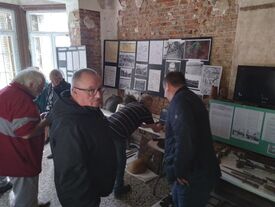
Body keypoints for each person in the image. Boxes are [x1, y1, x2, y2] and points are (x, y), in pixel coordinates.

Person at [47, 68, 116, 207]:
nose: (98, 96)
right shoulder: (68, 126)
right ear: (74, 91)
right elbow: (71, 173)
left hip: (95, 183)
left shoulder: (87, 108)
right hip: (82, 199)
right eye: (91, 90)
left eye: (100, 89)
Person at [163, 72, 221, 207]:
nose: (165, 94)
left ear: (168, 87)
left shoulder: (179, 102)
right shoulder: (192, 98)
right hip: (195, 172)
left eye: (164, 90)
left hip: (192, 176)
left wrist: (179, 171)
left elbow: (185, 141)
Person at [0, 69, 48, 207]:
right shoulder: (22, 100)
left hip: (4, 149)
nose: (41, 91)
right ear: (31, 84)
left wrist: (37, 118)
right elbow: (26, 133)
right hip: (19, 156)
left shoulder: (6, 91)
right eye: (40, 87)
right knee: (25, 194)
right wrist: (46, 121)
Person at [108, 94, 162, 198]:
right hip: (117, 133)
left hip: (106, 126)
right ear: (149, 104)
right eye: (152, 104)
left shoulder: (132, 104)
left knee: (111, 158)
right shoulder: (145, 111)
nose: (152, 106)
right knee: (121, 162)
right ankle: (118, 189)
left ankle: (107, 183)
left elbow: (141, 124)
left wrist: (150, 125)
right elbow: (155, 130)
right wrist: (160, 126)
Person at [43, 69, 71, 158]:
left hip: (61, 114)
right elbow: (49, 99)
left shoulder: (67, 86)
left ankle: (62, 152)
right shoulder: (50, 86)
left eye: (53, 80)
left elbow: (64, 101)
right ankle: (54, 152)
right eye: (50, 80)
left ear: (59, 78)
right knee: (52, 134)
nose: (52, 82)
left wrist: (56, 88)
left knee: (61, 135)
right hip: (51, 112)